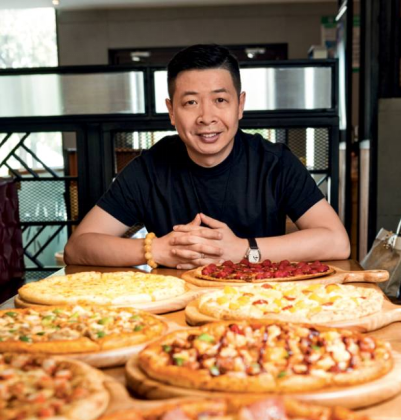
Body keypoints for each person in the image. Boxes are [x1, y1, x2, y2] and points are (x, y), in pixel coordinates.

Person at [64, 44, 350, 269]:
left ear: (240, 105)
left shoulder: (275, 162)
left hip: (262, 302)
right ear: (172, 111)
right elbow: (77, 247)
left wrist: (243, 249)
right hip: (174, 308)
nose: (206, 117)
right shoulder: (149, 168)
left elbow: (337, 241)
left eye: (220, 100)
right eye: (190, 102)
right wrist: (158, 249)